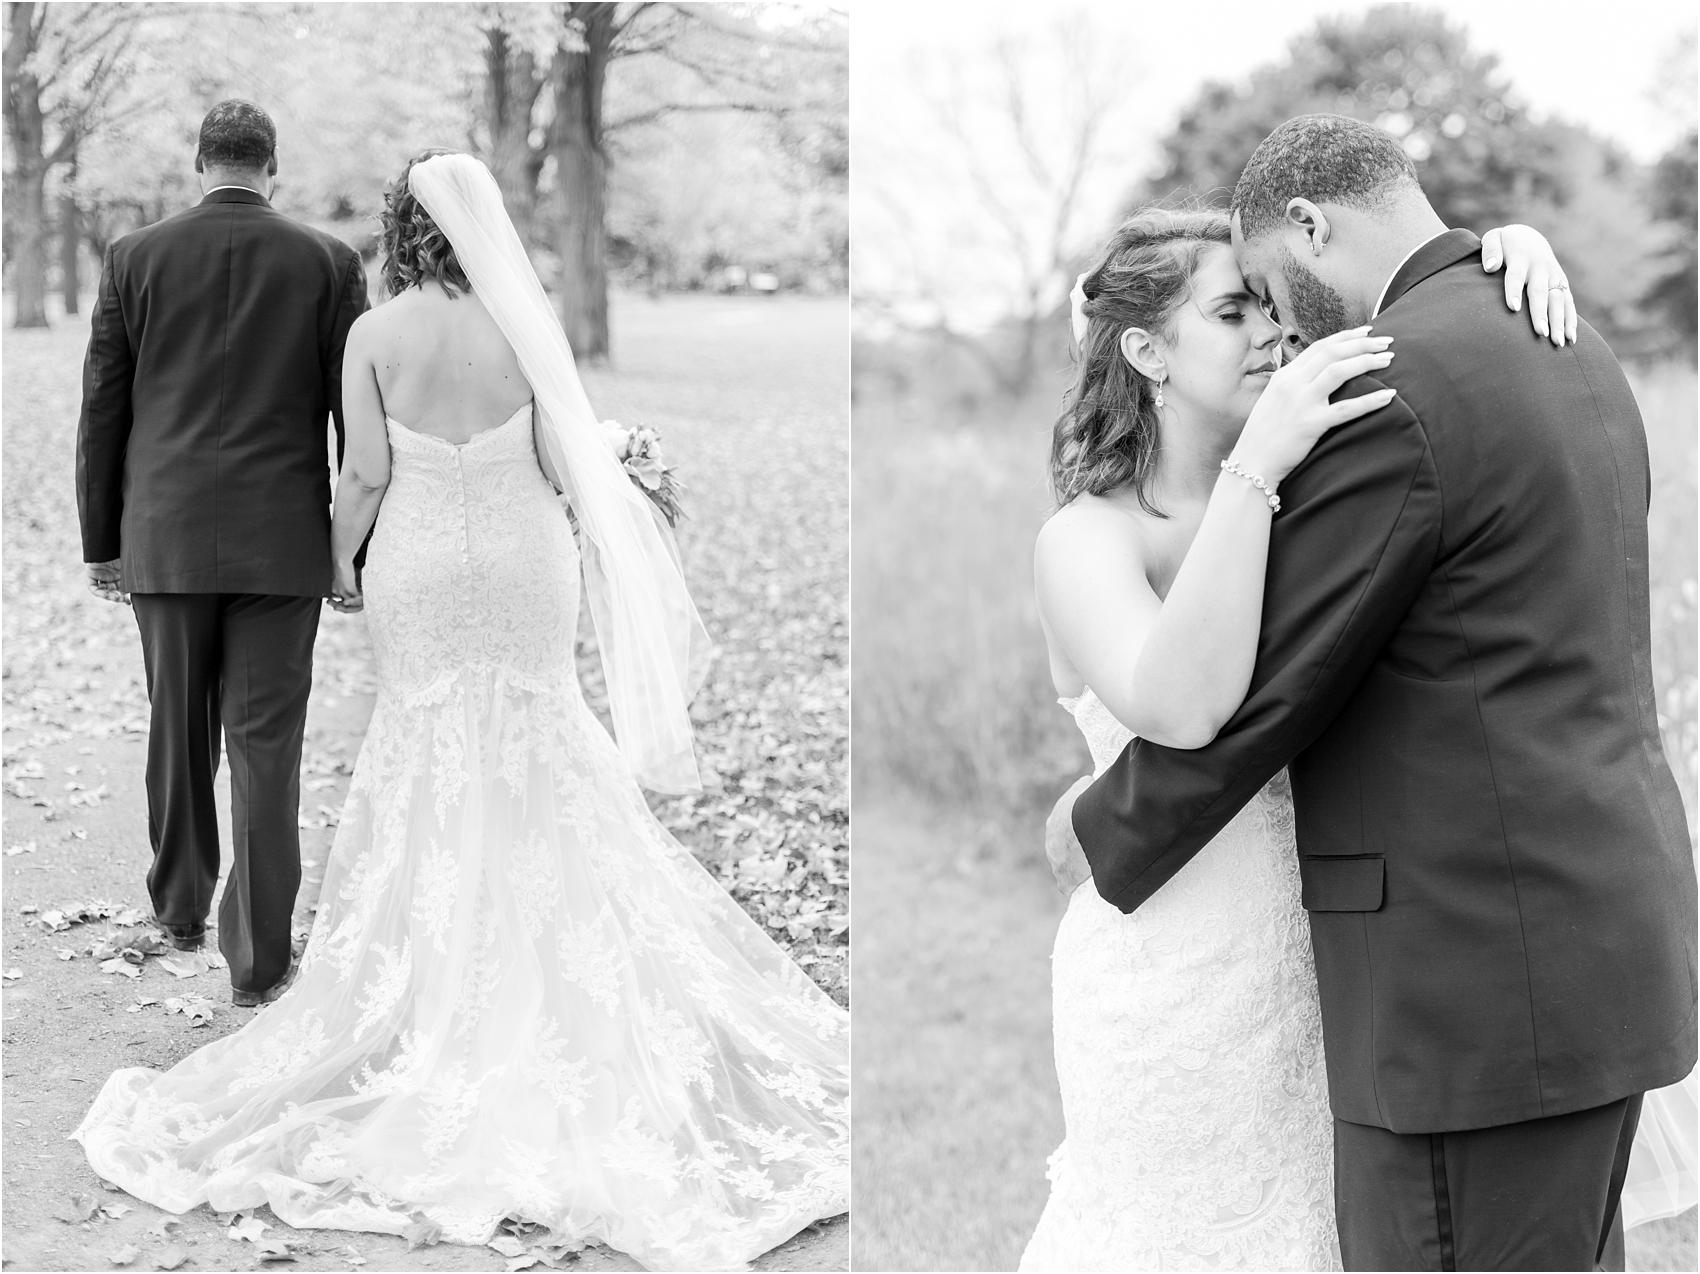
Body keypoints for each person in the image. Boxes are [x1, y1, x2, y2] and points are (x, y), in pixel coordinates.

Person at [75, 151, 849, 1272]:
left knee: (429, 746)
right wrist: (621, 482)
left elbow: (369, 472)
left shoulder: (373, 335)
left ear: (398, 230)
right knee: (543, 736)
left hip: (423, 568)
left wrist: (339, 565)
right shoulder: (524, 329)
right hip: (530, 564)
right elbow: (559, 460)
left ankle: (429, 989)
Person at [1029, 115, 1693, 1273]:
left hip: (1471, 991)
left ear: (1308, 224)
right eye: (1231, 312)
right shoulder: (1561, 335)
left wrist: (1091, 827)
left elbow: (1267, 690)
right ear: (1141, 351)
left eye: (1265, 294)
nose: (1278, 327)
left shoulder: (1392, 380)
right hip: (1570, 947)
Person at [75, 100, 369, 1007]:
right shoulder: (329, 262)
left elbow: (104, 409)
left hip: (162, 533)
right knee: (268, 746)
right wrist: (355, 548)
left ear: (201, 163)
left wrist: (101, 540)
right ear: (271, 166)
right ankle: (259, 958)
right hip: (285, 542)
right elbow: (352, 419)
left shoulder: (135, 257)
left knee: (179, 725)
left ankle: (179, 907)